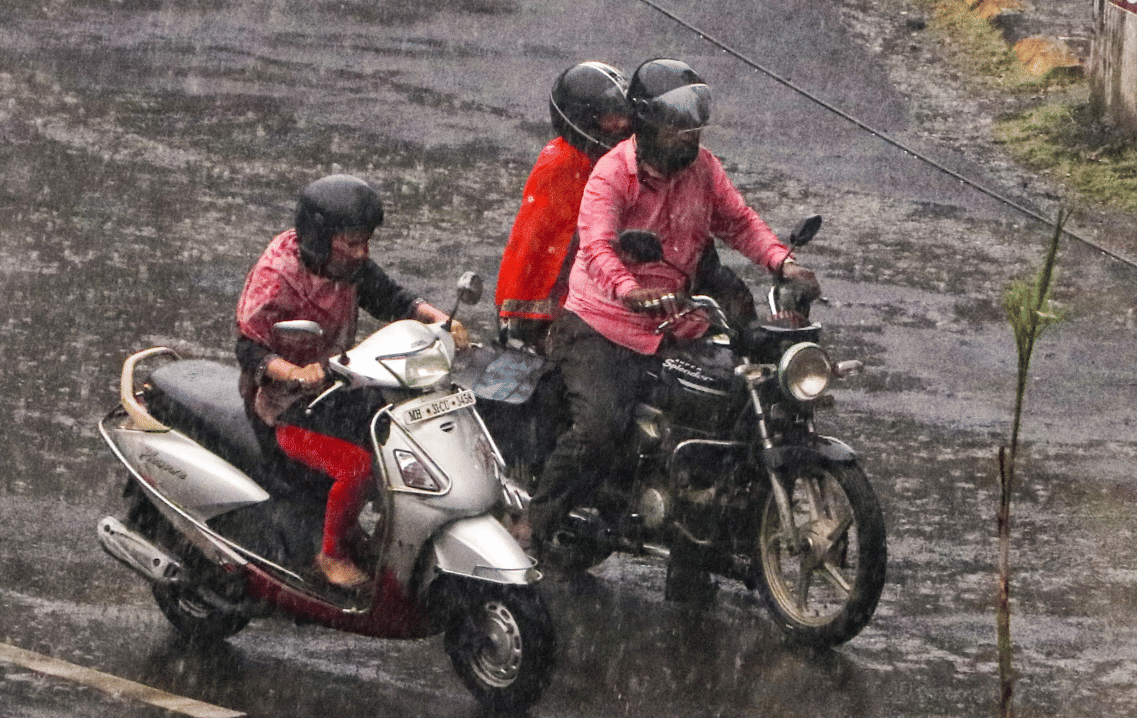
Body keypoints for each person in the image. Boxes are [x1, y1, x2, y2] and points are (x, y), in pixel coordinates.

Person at [525, 58, 821, 553]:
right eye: (677, 125)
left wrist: (782, 263)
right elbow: (597, 247)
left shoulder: (703, 169)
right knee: (600, 428)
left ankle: (699, 542)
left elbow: (739, 222)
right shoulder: (611, 174)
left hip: (678, 321)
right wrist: (628, 289)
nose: (689, 136)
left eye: (693, 126)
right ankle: (532, 528)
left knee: (728, 406)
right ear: (644, 123)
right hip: (604, 326)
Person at [235, 173, 468, 588]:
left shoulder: (345, 263)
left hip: (334, 384)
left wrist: (438, 320)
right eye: (354, 242)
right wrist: (293, 372)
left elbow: (390, 297)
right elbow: (249, 349)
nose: (363, 252)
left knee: (401, 431)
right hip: (284, 406)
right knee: (357, 467)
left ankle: (373, 531)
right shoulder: (278, 277)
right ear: (322, 238)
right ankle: (330, 555)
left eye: (367, 241)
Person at [494, 61, 633, 353]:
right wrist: (520, 320)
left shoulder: (601, 162)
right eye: (611, 118)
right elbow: (536, 247)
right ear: (582, 119)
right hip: (545, 316)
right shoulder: (562, 164)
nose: (623, 125)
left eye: (624, 116)